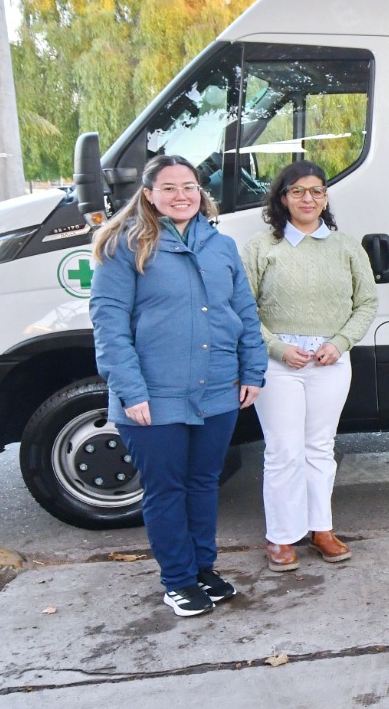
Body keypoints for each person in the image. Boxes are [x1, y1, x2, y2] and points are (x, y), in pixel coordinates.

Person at [91, 155, 266, 617]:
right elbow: (109, 326)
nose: (181, 195)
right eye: (168, 188)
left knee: (203, 483)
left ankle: (203, 569)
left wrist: (252, 370)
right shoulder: (123, 246)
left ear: (200, 192)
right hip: (153, 395)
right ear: (149, 195)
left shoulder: (221, 246)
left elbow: (244, 312)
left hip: (217, 389)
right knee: (166, 489)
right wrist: (131, 390)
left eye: (189, 186)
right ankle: (178, 580)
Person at [242, 162, 378, 573]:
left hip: (330, 363)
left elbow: (366, 302)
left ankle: (321, 529)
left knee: (320, 448)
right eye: (298, 191)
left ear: (325, 197)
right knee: (284, 450)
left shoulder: (345, 247)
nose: (308, 199)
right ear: (282, 198)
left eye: (316, 191)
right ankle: (281, 537)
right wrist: (278, 348)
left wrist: (340, 343)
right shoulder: (261, 247)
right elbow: (243, 309)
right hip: (278, 365)